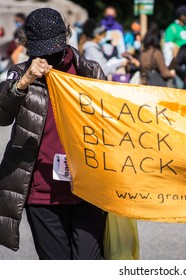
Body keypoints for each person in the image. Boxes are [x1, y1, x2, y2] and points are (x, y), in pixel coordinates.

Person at [0, 8, 107, 259]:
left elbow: (113, 118)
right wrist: (23, 83)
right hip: (42, 191)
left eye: (55, 47)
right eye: (43, 49)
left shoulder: (89, 71)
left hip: (87, 188)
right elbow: (2, 117)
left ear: (66, 37)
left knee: (90, 263)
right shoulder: (20, 72)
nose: (50, 55)